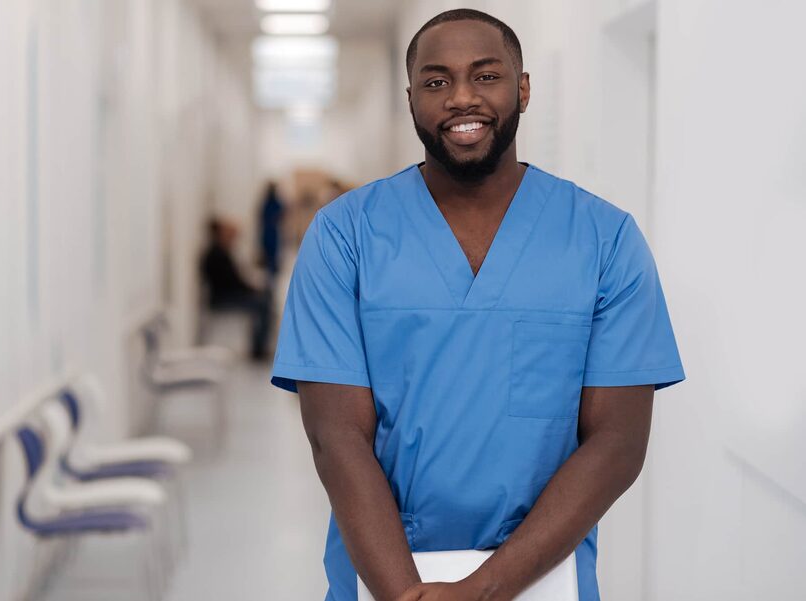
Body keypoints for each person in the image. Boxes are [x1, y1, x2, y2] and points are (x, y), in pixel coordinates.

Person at [270, 9, 684, 601]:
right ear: (411, 99)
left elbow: (617, 443)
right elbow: (335, 437)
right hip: (383, 573)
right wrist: (404, 592)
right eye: (437, 82)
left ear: (523, 89)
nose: (462, 98)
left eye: (486, 76)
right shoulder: (345, 235)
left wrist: (486, 589)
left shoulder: (603, 239)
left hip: (542, 576)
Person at [199, 217, 271, 360]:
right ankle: (258, 351)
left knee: (263, 300)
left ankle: (259, 348)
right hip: (223, 299)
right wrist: (253, 289)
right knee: (262, 304)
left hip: (224, 295)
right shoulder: (217, 255)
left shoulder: (219, 252)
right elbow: (232, 282)